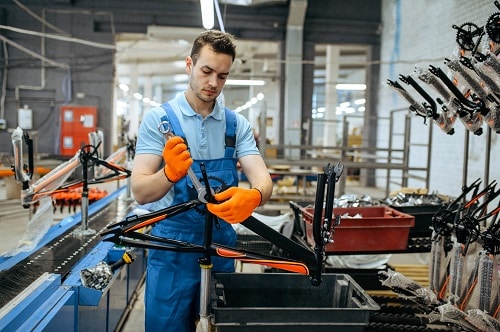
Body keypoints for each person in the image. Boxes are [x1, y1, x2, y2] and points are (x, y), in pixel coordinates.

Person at [131, 29, 273, 332]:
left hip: (220, 247)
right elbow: (141, 192)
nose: (213, 83)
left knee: (220, 326)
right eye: (207, 71)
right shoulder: (160, 121)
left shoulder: (236, 125)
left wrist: (256, 196)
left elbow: (263, 179)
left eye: (222, 76)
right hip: (173, 249)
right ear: (189, 65)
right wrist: (168, 174)